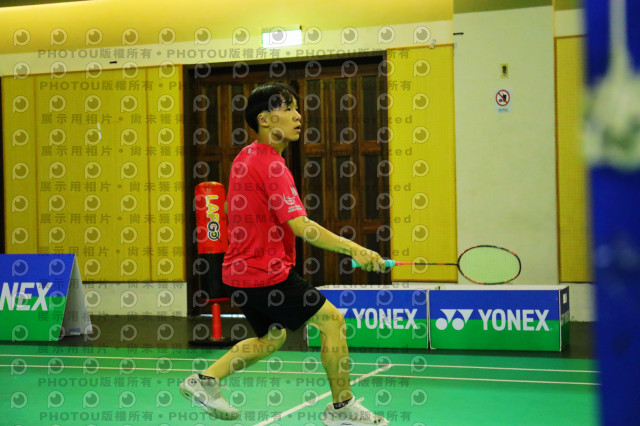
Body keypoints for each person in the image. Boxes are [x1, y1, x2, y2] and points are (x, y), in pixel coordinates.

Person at [179, 82, 389, 425]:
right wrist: (355, 248)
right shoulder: (271, 165)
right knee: (332, 321)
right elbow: (301, 225)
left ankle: (205, 381)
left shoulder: (244, 157)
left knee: (271, 338)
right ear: (264, 119)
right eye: (288, 108)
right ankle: (342, 408)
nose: (298, 115)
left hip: (238, 271)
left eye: (296, 108)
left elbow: (245, 213)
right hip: (265, 272)